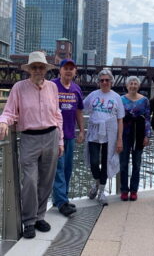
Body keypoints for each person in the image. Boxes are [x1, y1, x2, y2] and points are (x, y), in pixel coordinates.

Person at [0, 51, 64, 239]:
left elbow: (57, 115)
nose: (38, 70)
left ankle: (39, 217)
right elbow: (10, 111)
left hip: (51, 136)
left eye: (41, 67)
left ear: (45, 69)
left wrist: (60, 141)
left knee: (46, 181)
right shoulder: (19, 88)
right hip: (29, 138)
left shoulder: (52, 88)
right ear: (29, 70)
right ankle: (28, 221)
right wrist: (3, 121)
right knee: (29, 181)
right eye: (34, 67)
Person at [83, 69, 125, 206]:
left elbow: (120, 120)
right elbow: (80, 108)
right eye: (102, 80)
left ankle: (101, 191)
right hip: (94, 132)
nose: (105, 82)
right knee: (94, 161)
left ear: (111, 82)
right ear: (99, 82)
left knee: (106, 162)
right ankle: (97, 182)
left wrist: (120, 139)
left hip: (110, 133)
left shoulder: (116, 97)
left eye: (107, 80)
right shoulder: (93, 95)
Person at [52, 59, 84, 217]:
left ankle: (60, 198)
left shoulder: (76, 89)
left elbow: (79, 111)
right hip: (54, 135)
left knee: (67, 168)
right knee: (58, 168)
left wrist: (82, 130)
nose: (69, 71)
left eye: (72, 68)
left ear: (75, 71)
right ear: (60, 70)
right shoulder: (51, 86)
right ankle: (61, 202)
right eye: (66, 68)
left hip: (70, 135)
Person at [120, 76, 151, 201]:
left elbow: (148, 118)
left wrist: (147, 135)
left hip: (139, 133)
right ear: (127, 86)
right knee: (123, 163)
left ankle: (133, 190)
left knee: (137, 163)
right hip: (124, 134)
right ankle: (123, 190)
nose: (133, 85)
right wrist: (117, 137)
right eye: (130, 83)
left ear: (138, 86)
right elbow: (117, 119)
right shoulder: (121, 99)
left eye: (135, 83)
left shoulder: (144, 100)